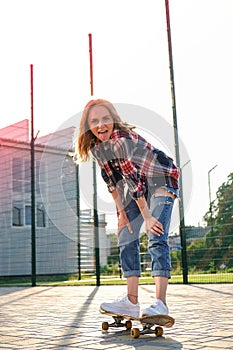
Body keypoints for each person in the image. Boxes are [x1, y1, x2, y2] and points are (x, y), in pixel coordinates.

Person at [76, 99, 180, 318]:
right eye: (94, 121)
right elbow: (113, 183)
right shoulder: (97, 149)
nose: (101, 124)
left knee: (156, 234)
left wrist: (149, 217)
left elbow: (133, 181)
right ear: (87, 125)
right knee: (125, 234)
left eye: (106, 119)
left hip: (161, 180)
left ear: (113, 120)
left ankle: (160, 304)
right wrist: (122, 216)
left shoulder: (120, 140)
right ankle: (131, 303)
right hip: (139, 187)